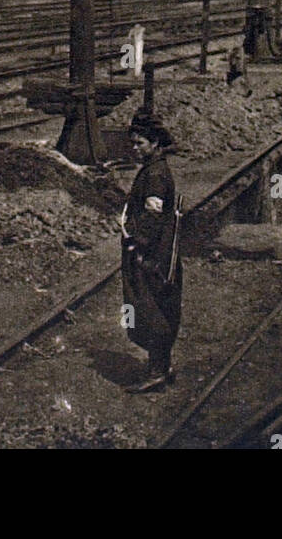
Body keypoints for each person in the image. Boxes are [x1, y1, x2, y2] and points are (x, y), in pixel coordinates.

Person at [120, 109, 183, 393]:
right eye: (133, 143)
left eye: (140, 143)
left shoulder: (155, 174)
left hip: (151, 257)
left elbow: (153, 215)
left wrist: (136, 240)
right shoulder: (155, 168)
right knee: (159, 306)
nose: (135, 148)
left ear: (155, 143)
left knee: (149, 308)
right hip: (159, 254)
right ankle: (162, 365)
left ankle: (157, 370)